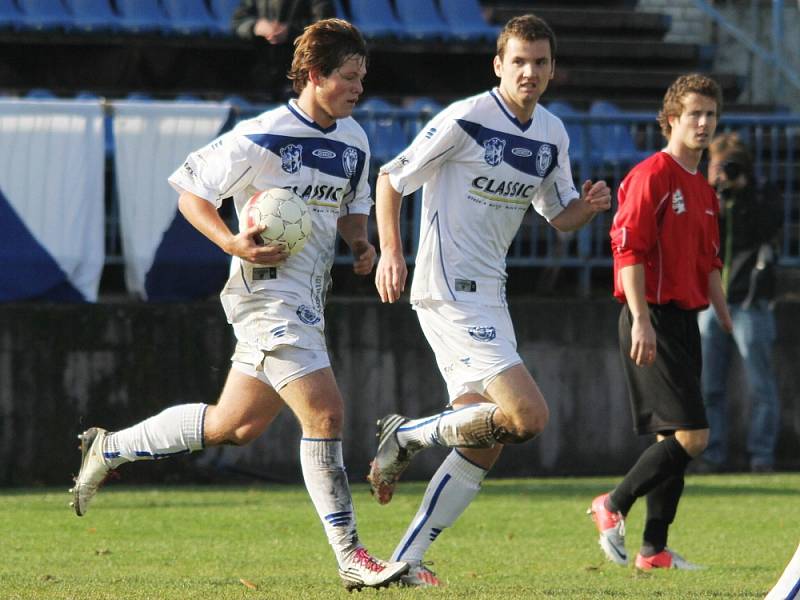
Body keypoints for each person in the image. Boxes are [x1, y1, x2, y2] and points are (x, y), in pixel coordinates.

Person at [70, 18, 408, 591]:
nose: (358, 88)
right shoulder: (263, 134)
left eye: (362, 78)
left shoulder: (353, 139)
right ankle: (352, 556)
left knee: (235, 426)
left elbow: (350, 206)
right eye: (349, 77)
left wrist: (360, 242)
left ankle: (111, 446)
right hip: (264, 292)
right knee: (325, 413)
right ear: (314, 75)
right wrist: (230, 241)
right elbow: (190, 191)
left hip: (308, 298)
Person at [368, 14, 611, 586]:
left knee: (487, 437)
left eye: (541, 62)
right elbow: (390, 178)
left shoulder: (552, 133)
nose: (530, 72)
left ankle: (407, 560)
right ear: (498, 65)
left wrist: (590, 207)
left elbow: (559, 215)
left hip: (490, 293)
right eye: (519, 61)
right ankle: (405, 437)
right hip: (448, 288)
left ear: (553, 69)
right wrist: (390, 252)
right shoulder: (466, 118)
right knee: (528, 416)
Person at [589, 73, 733, 571]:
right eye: (694, 113)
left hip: (683, 318)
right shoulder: (653, 174)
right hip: (649, 315)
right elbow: (627, 249)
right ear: (671, 119)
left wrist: (724, 313)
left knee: (670, 437)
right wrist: (642, 321)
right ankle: (612, 504)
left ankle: (654, 551)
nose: (703, 122)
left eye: (710, 114)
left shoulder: (704, 188)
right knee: (693, 436)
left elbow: (709, 261)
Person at [696, 132, 782, 473]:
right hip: (709, 302)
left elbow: (767, 228)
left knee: (761, 384)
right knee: (708, 386)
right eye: (717, 167)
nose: (724, 173)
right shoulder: (705, 197)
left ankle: (761, 456)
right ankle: (713, 454)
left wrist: (741, 194)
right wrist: (715, 199)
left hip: (750, 301)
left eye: (729, 167)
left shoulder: (762, 193)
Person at [232, 0, 334, 45]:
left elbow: (325, 25)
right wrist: (255, 27)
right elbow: (237, 21)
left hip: (301, 65)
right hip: (260, 65)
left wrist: (290, 32)